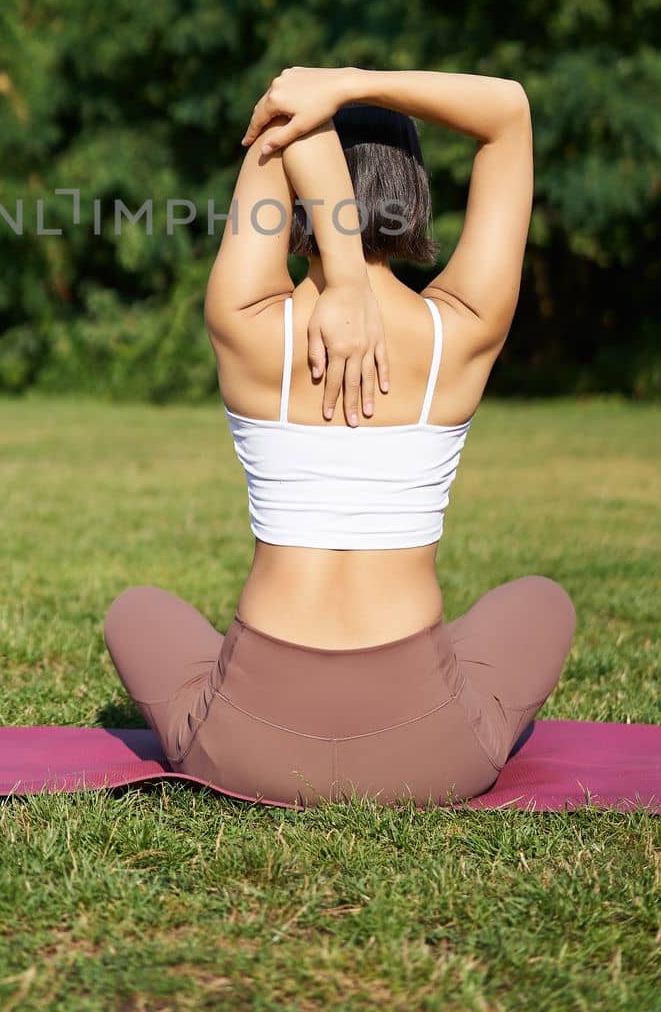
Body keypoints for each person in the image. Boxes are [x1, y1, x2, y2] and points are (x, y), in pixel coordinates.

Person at [104, 65, 577, 808]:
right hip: (428, 755)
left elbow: (280, 106)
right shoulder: (460, 330)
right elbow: (508, 110)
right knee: (541, 600)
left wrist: (343, 272)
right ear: (414, 188)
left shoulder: (249, 320)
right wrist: (353, 83)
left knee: (135, 608)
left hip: (247, 749)